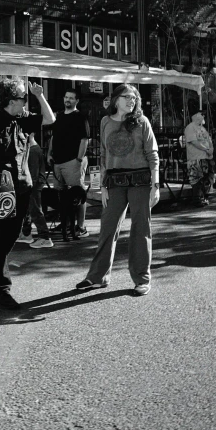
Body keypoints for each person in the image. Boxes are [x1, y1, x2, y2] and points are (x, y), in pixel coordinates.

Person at [0, 78, 55, 309]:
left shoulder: (23, 119)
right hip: (1, 186)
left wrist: (39, 96)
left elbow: (50, 119)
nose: (25, 102)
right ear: (10, 100)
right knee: (3, 232)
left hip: (23, 184)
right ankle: (2, 286)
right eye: (22, 98)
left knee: (12, 234)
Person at [76, 84, 159, 296]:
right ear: (116, 100)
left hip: (140, 181)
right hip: (114, 182)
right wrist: (102, 186)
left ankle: (142, 278)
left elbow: (153, 155)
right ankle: (97, 277)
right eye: (127, 97)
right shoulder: (105, 121)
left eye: (134, 98)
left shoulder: (142, 122)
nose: (131, 101)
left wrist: (155, 186)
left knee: (141, 229)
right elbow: (103, 155)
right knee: (107, 228)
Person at [47, 88, 90, 237]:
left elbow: (85, 139)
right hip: (57, 162)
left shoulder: (80, 117)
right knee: (61, 197)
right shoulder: (58, 116)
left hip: (73, 161)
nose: (68, 100)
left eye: (71, 98)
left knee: (77, 194)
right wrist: (49, 154)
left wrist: (79, 159)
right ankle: (65, 225)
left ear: (77, 101)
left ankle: (81, 227)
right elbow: (54, 136)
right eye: (66, 97)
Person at [17, 132, 54, 249]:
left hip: (34, 184)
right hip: (35, 182)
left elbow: (33, 173)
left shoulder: (32, 150)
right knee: (30, 209)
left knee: (35, 210)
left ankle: (45, 237)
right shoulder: (34, 148)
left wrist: (27, 186)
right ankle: (27, 233)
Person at [184, 109, 214, 206]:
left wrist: (211, 149)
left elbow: (209, 140)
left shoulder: (203, 129)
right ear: (196, 115)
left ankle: (203, 197)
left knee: (207, 178)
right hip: (195, 158)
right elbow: (194, 141)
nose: (204, 117)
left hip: (206, 158)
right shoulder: (190, 128)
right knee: (197, 178)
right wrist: (206, 149)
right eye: (202, 115)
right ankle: (197, 198)